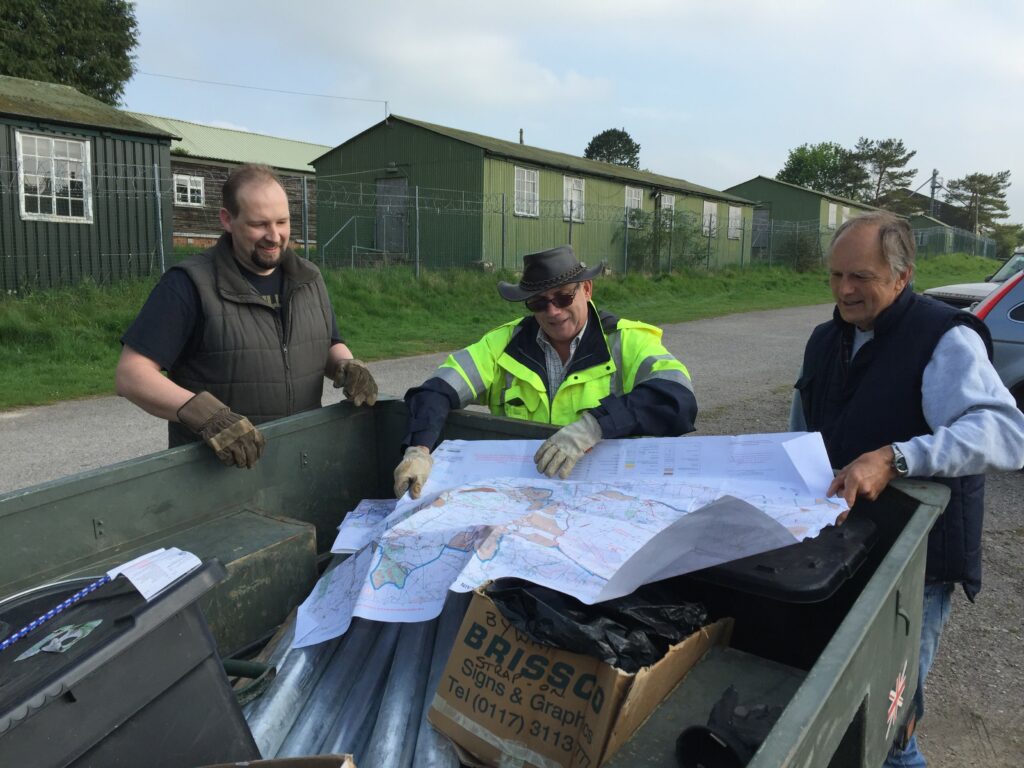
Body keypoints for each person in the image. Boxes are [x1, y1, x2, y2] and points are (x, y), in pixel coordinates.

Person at [790, 212, 1024, 767]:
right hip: (837, 549)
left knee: (890, 723)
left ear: (901, 276)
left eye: (861, 277)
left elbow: (1005, 431)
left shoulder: (943, 338)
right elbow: (803, 431)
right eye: (836, 276)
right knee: (836, 705)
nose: (845, 290)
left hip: (915, 562)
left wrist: (897, 458)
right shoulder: (826, 339)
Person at [116, 164, 377, 468]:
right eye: (259, 224)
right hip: (219, 474)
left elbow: (327, 342)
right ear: (227, 220)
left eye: (282, 222)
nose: (275, 235)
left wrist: (347, 365)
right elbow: (131, 375)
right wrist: (206, 416)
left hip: (301, 463)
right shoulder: (189, 284)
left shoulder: (308, 278)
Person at [393, 244, 698, 498]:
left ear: (587, 290)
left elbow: (677, 398)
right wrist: (419, 450)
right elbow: (436, 390)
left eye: (564, 297)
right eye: (539, 303)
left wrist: (596, 426)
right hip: (523, 496)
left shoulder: (627, 341)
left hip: (604, 496)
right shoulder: (502, 345)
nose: (553, 311)